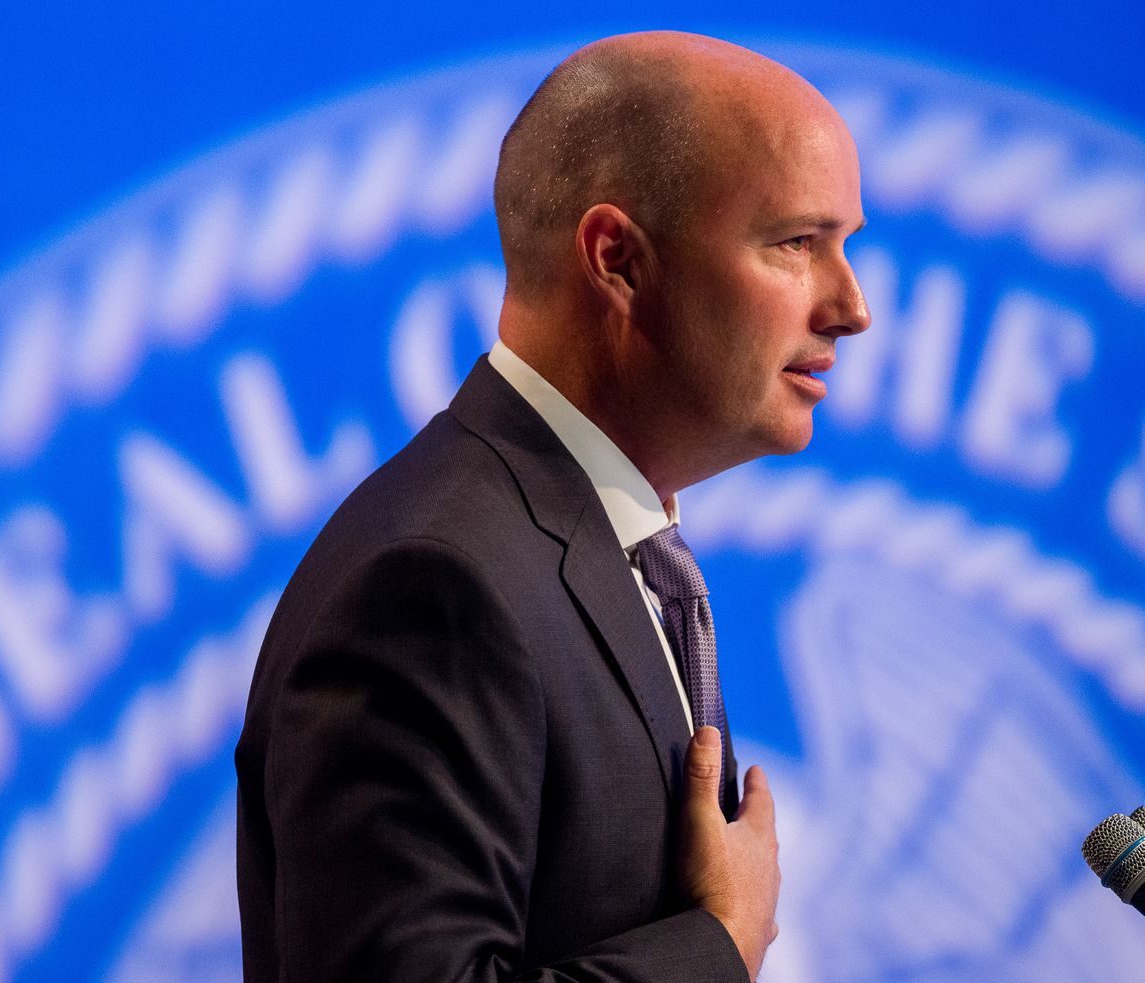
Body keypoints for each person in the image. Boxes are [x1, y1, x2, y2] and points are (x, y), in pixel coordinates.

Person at [236, 30, 870, 983]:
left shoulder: (598, 548)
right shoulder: (435, 582)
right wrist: (717, 943)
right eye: (795, 244)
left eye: (846, 247)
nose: (852, 305)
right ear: (615, 258)